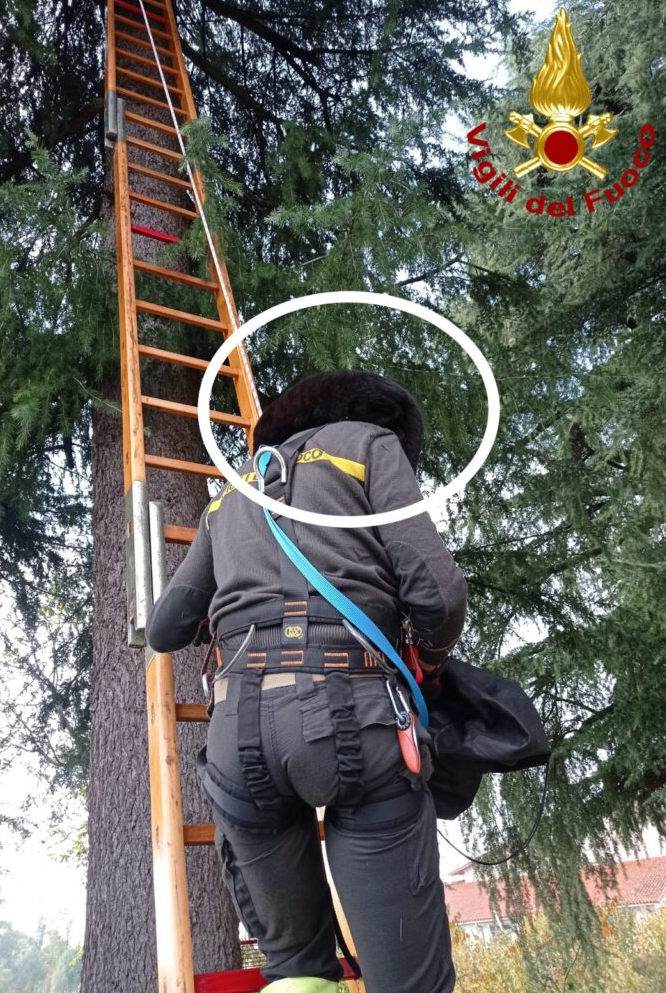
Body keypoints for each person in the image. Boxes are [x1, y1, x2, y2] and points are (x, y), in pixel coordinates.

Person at [146, 370, 467, 993]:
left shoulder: (231, 493)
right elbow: (439, 595)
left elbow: (165, 628)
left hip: (238, 735)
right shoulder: (370, 444)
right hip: (359, 715)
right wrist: (428, 663)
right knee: (408, 983)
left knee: (296, 976)